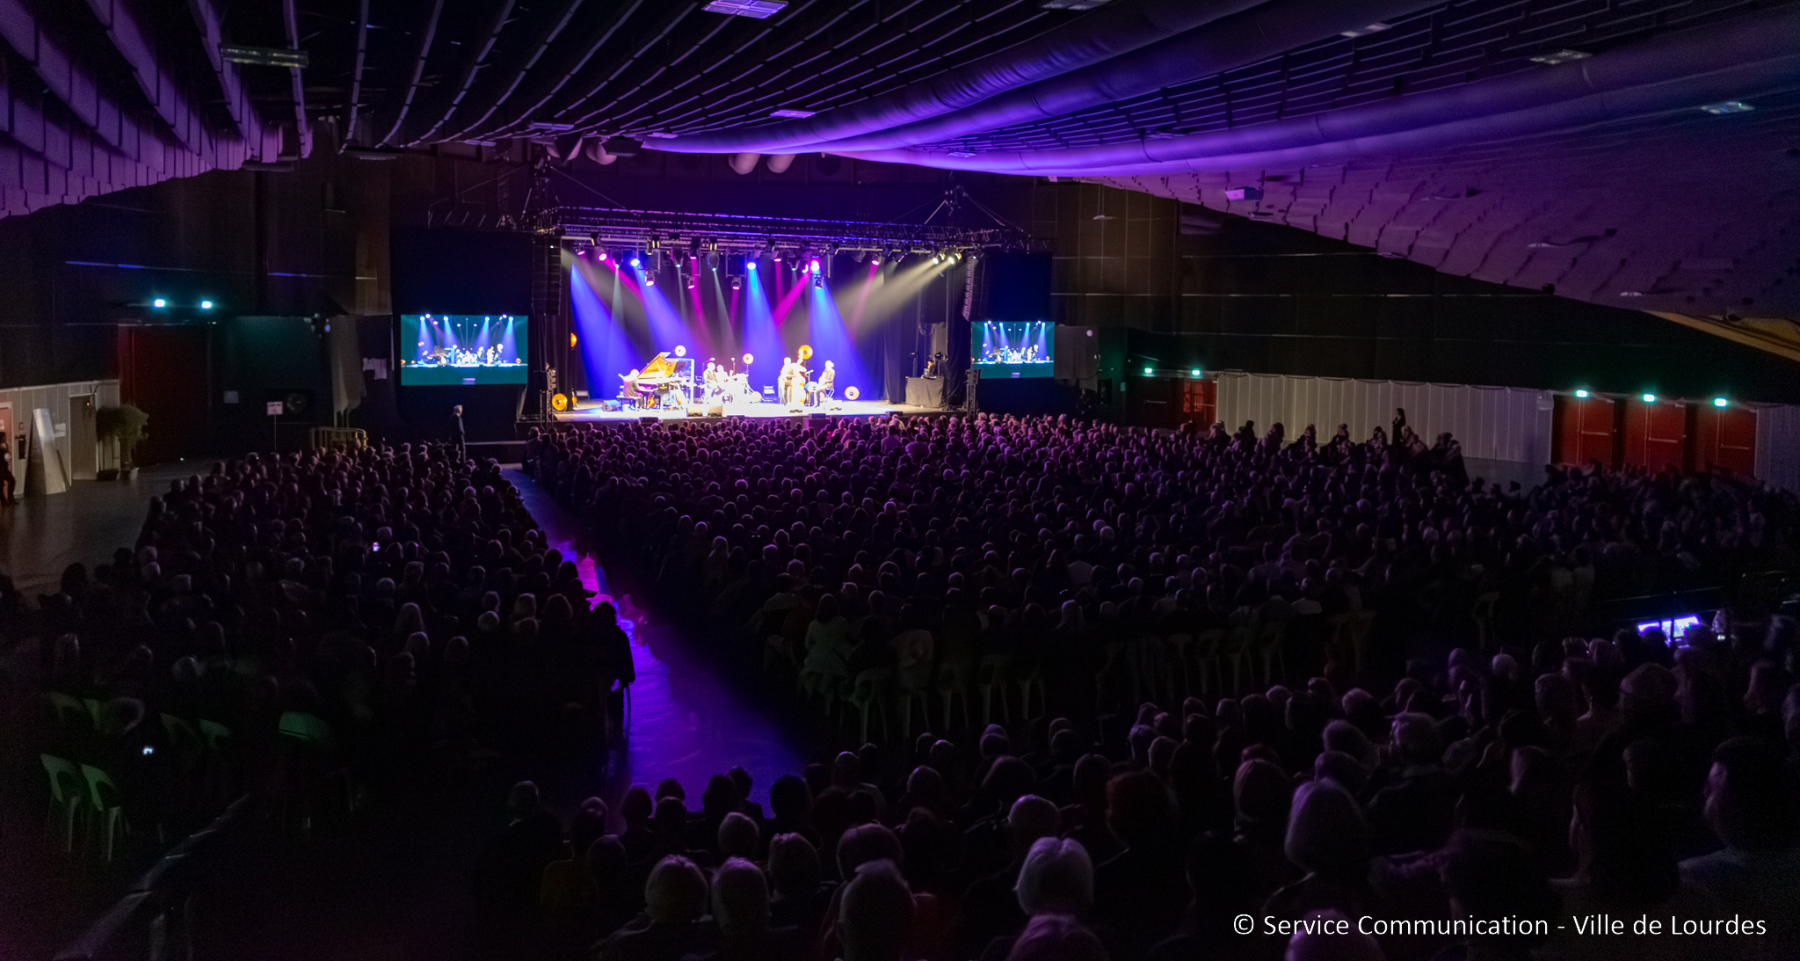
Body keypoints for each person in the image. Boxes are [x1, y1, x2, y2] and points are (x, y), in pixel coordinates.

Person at [0, 430, 14, 504]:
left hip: (3, 467)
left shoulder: (4, 445)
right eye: (4, 437)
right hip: (2, 467)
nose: (5, 438)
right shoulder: (3, 446)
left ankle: (5, 500)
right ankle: (8, 499)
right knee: (8, 482)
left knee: (2, 484)